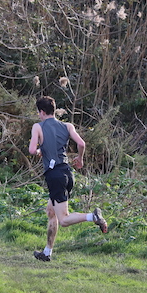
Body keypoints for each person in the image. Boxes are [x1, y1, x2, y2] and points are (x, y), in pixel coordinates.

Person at [28, 96, 108, 262]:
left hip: (54, 176)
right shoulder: (67, 125)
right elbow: (82, 143)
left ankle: (92, 216)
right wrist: (80, 159)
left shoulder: (38, 127)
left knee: (63, 219)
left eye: (38, 112)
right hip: (67, 173)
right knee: (51, 212)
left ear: (42, 112)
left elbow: (31, 150)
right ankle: (47, 253)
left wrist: (38, 151)